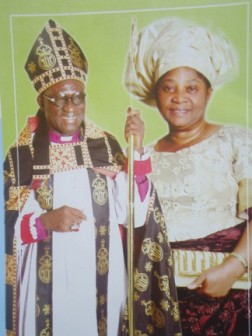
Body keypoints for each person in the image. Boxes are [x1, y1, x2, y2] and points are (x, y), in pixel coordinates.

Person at [4, 19, 182, 336]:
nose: (70, 106)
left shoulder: (107, 147)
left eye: (78, 96)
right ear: (41, 102)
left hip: (102, 281)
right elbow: (5, 227)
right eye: (59, 98)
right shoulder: (22, 156)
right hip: (44, 288)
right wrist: (43, 222)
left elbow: (135, 214)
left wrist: (137, 150)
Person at [124, 17, 252, 336]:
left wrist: (234, 267)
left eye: (191, 87)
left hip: (229, 291)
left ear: (208, 93)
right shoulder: (146, 154)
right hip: (162, 296)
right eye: (169, 87)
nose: (179, 97)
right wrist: (134, 152)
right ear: (156, 95)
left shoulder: (238, 141)